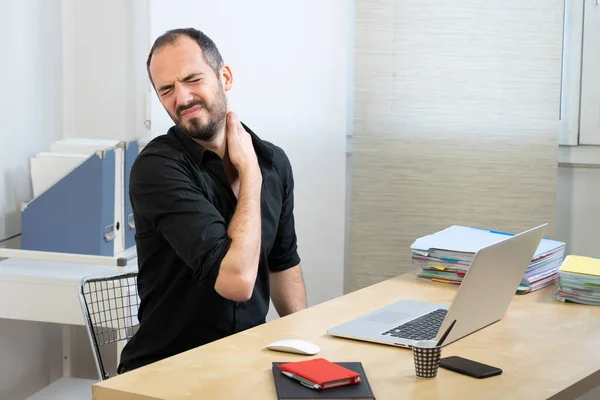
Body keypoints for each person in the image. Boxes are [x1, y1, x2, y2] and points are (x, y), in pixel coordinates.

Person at [118, 27, 307, 373]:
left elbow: (283, 263)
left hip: (247, 362)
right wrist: (250, 175)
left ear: (225, 76)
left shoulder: (273, 161)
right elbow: (236, 282)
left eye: (192, 79)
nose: (183, 98)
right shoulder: (157, 169)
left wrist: (309, 348)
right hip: (168, 370)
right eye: (167, 90)